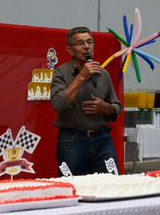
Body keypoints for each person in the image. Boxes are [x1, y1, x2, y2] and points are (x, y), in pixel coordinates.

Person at [50, 26, 122, 176]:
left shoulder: (103, 73)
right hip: (72, 141)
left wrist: (105, 107)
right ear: (70, 50)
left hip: (103, 141)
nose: (87, 47)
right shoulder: (61, 73)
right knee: (73, 188)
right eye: (80, 43)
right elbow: (58, 104)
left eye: (90, 42)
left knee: (111, 186)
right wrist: (81, 76)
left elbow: (116, 106)